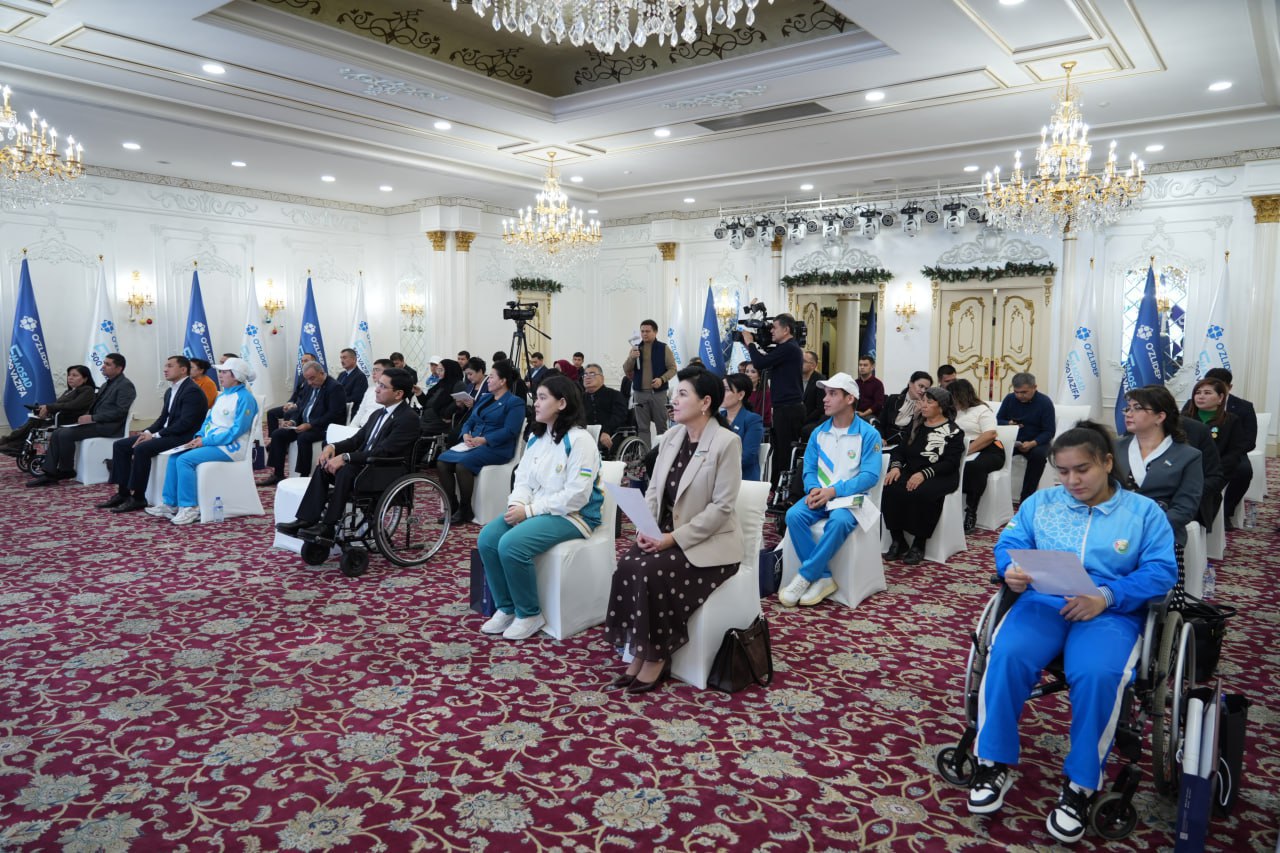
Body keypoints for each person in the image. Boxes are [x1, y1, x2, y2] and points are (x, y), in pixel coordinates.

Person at [969, 421, 1177, 845]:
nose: (1071, 480)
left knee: (1099, 675)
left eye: (1082, 469)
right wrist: (1010, 568)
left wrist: (1107, 595)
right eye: (1062, 471)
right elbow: (1008, 544)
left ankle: (1081, 783)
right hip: (1044, 601)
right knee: (1006, 654)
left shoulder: (1142, 513)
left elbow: (1161, 572)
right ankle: (992, 761)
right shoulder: (1041, 503)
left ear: (1107, 463)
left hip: (1109, 610)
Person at [604, 367, 743, 694]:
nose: (674, 400)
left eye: (682, 394)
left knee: (652, 571)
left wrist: (672, 539)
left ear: (705, 402)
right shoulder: (671, 437)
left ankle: (656, 655)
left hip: (708, 542)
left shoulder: (726, 442)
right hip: (664, 532)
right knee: (627, 565)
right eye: (674, 393)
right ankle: (639, 650)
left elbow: (721, 509)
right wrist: (645, 526)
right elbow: (654, 492)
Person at [476, 375, 605, 641]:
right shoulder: (537, 439)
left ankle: (529, 614)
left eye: (543, 398)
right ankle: (506, 607)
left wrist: (530, 511)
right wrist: (517, 504)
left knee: (511, 544)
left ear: (562, 403)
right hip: (538, 508)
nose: (535, 403)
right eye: (536, 397)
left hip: (574, 516)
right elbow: (523, 479)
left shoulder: (580, 440)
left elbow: (576, 496)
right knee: (488, 538)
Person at [275, 368, 419, 544]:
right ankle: (306, 519)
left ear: (398, 394)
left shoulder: (408, 418)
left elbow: (384, 451)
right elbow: (356, 440)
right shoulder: (378, 413)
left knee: (346, 470)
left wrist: (346, 457)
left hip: (387, 471)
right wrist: (332, 447)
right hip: (367, 467)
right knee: (324, 465)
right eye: (378, 384)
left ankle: (328, 526)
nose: (376, 389)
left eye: (383, 386)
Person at [778, 372, 884, 606]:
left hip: (851, 499)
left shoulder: (868, 434)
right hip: (820, 495)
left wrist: (833, 491)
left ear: (850, 399)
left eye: (832, 394)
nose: (825, 399)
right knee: (793, 515)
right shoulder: (819, 432)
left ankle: (806, 576)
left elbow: (870, 477)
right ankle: (823, 577)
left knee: (838, 521)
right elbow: (808, 468)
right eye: (825, 393)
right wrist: (813, 489)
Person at [143, 358, 259, 525]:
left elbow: (237, 431)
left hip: (231, 448)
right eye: (220, 372)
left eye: (224, 372)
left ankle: (190, 507)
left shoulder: (245, 398)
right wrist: (199, 436)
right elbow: (208, 420)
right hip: (212, 442)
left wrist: (206, 441)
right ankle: (170, 504)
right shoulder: (223, 396)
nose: (220, 375)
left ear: (236, 376)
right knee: (175, 457)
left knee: (184, 460)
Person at [97, 355, 209, 513]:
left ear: (183, 370)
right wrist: (147, 432)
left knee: (142, 448)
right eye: (165, 366)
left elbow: (185, 424)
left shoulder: (192, 391)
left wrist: (156, 436)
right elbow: (163, 418)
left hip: (183, 437)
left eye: (170, 366)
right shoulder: (170, 391)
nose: (165, 369)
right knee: (120, 445)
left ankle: (138, 497)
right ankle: (123, 493)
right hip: (168, 434)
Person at [1111, 385, 1202, 550]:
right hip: (1114, 527)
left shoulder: (1188, 456)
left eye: (1137, 408)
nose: (1128, 414)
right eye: (1128, 408)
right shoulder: (1114, 448)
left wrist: (1147, 528)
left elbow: (1185, 507)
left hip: (1161, 532)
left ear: (1160, 417)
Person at [881, 386, 965, 564]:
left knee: (923, 493)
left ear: (941, 406)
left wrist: (924, 474)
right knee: (890, 487)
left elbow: (951, 463)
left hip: (940, 475)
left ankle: (919, 543)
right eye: (922, 401)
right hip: (912, 471)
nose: (923, 405)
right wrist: (895, 467)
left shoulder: (954, 431)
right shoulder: (916, 425)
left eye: (929, 402)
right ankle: (898, 539)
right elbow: (900, 451)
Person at [436, 358, 525, 524]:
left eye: (491, 377)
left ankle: (465, 509)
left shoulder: (514, 402)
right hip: (474, 443)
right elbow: (470, 421)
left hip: (497, 447)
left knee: (463, 465)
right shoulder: (485, 398)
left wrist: (485, 439)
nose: (488, 380)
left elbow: (510, 431)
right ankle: (452, 504)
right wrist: (465, 434)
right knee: (442, 461)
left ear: (503, 381)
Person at [28, 353, 137, 487]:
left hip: (110, 427)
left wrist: (92, 418)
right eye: (104, 363)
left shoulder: (125, 385)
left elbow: (120, 412)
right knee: (58, 432)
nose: (103, 366)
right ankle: (52, 472)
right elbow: (95, 407)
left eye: (108, 364)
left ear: (119, 368)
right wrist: (85, 416)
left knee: (65, 433)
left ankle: (65, 470)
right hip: (97, 423)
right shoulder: (106, 384)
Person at [741, 313, 804, 490]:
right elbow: (764, 360)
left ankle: (783, 491)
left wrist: (750, 343)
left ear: (786, 329)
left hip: (789, 409)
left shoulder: (789, 348)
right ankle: (775, 489)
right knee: (779, 452)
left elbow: (760, 363)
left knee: (784, 453)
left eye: (774, 328)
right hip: (784, 408)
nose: (771, 331)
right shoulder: (785, 349)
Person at [262, 361, 346, 486]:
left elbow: (334, 414)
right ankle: (278, 474)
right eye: (307, 379)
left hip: (323, 427)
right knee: (278, 434)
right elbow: (301, 407)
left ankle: (304, 475)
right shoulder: (309, 385)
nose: (310, 382)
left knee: (304, 438)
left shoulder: (334, 387)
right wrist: (293, 421)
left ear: (321, 373)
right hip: (304, 425)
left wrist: (311, 425)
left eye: (312, 378)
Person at [1185, 375, 1251, 524]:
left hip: (1216, 470)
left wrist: (1215, 468)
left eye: (1207, 393)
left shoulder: (1231, 420)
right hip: (1187, 468)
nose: (1201, 396)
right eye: (1198, 392)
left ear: (1221, 398)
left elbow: (1235, 451)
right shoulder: (1184, 419)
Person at [0, 365, 96, 455]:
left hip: (70, 419)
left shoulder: (87, 390)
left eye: (74, 375)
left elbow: (73, 405)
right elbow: (58, 405)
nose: (70, 378)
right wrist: (45, 408)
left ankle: (10, 442)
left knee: (34, 422)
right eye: (69, 375)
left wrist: (49, 407)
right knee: (33, 420)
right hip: (59, 417)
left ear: (85, 378)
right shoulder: (69, 391)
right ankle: (14, 444)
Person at [1204, 367, 1256, 528]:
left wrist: (1231, 454)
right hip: (1202, 452)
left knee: (1243, 471)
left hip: (1233, 452)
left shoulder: (1244, 407)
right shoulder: (1194, 404)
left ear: (1229, 387)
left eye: (1220, 386)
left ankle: (1227, 512)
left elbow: (1249, 440)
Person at [951, 378, 1003, 533]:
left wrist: (966, 452)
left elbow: (990, 434)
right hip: (961, 448)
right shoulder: (952, 411)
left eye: (953, 396)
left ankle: (971, 511)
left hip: (988, 449)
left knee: (974, 467)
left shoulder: (982, 410)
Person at [996, 372, 1056, 503]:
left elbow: (1049, 431)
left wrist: (1033, 443)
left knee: (1038, 457)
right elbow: (998, 420)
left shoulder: (1045, 403)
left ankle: (1026, 499)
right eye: (1016, 392)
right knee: (993, 451)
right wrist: (1008, 423)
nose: (1019, 396)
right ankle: (997, 496)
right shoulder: (1009, 399)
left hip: (1037, 441)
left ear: (1034, 387)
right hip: (1012, 440)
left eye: (1024, 392)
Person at [622, 320, 676, 452]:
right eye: (642, 331)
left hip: (658, 393)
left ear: (655, 332)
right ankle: (645, 456)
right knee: (643, 428)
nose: (644, 334)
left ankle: (662, 454)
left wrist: (662, 379)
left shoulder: (663, 348)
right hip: (639, 393)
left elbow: (673, 368)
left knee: (661, 426)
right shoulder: (635, 348)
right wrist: (632, 358)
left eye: (647, 331)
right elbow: (626, 369)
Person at [721, 373, 763, 481]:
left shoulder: (753, 420)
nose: (721, 393)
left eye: (726, 390)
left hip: (742, 479)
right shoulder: (717, 418)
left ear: (740, 395)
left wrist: (718, 468)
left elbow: (747, 457)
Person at [267, 352, 317, 434]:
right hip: (294, 405)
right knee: (271, 413)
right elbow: (295, 393)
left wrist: (295, 405)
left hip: (303, 407)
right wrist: (289, 403)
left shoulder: (315, 378)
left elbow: (308, 398)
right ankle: (272, 437)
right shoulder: (301, 376)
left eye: (306, 361)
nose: (303, 363)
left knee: (288, 413)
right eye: (302, 361)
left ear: (314, 363)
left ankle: (288, 435)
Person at [582, 363, 627, 454]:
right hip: (585, 436)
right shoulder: (579, 398)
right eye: (585, 374)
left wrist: (606, 431)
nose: (587, 377)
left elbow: (619, 416)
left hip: (611, 434)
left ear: (602, 378)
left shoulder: (614, 395)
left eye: (592, 374)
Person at [879, 370, 932, 447]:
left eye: (926, 389)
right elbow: (881, 423)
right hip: (885, 444)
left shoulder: (925, 408)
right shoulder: (893, 399)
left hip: (907, 446)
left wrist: (916, 415)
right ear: (910, 383)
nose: (923, 391)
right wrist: (880, 437)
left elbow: (918, 433)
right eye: (920, 386)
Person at [417, 358, 464, 438]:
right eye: (438, 370)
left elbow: (456, 404)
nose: (438, 372)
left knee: (420, 438)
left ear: (449, 371)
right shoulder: (440, 384)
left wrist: (445, 415)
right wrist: (419, 393)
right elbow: (425, 403)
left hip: (440, 423)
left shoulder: (458, 385)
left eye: (441, 370)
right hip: (427, 420)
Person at [351, 359, 393, 428]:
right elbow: (360, 413)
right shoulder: (370, 390)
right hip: (361, 428)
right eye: (373, 370)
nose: (373, 373)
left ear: (388, 372)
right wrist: (351, 428)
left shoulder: (391, 392)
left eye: (377, 370)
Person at [335, 348, 368, 414]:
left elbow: (356, 397)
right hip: (338, 409)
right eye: (341, 358)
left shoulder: (360, 376)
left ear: (354, 359)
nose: (342, 361)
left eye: (344, 358)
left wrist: (337, 401)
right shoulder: (342, 374)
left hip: (350, 412)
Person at [800, 349, 826, 431]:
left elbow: (820, 408)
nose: (800, 363)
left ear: (813, 365)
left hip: (813, 420)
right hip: (796, 417)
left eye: (804, 361)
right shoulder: (796, 378)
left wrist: (804, 420)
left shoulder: (820, 380)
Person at [742, 362, 773, 428]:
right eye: (747, 371)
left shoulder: (766, 393)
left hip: (759, 426)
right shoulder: (741, 391)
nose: (748, 374)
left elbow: (762, 415)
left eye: (753, 372)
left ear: (759, 376)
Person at [856, 355, 885, 421]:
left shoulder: (878, 384)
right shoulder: (855, 383)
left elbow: (878, 404)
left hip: (871, 415)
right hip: (856, 413)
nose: (862, 367)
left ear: (872, 367)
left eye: (865, 365)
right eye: (860, 365)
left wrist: (863, 414)